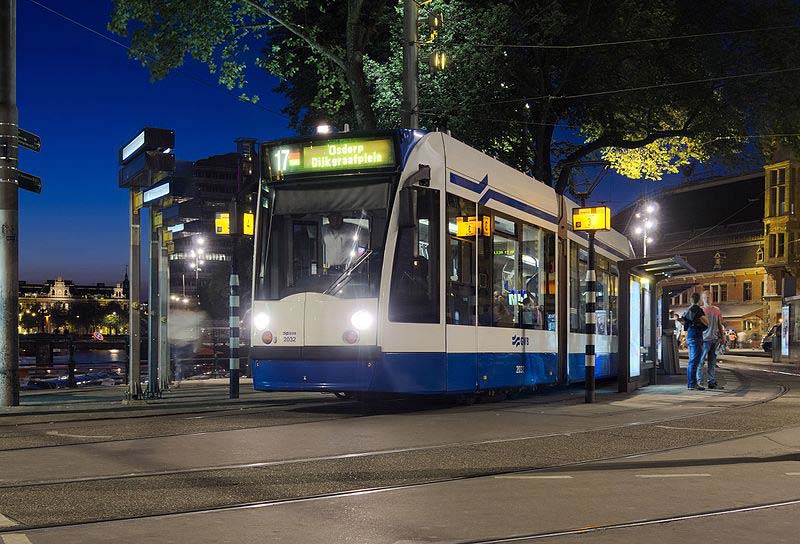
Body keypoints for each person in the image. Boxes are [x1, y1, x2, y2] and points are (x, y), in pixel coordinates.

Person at [682, 292, 709, 390]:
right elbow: (706, 322)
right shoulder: (697, 309)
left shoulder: (687, 310)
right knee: (695, 361)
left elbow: (685, 326)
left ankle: (691, 383)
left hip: (690, 335)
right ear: (699, 300)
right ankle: (692, 384)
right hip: (697, 336)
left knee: (691, 361)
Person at [698, 290, 725, 390]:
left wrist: (723, 337)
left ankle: (711, 381)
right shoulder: (700, 310)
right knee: (701, 362)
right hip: (704, 339)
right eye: (705, 297)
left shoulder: (717, 310)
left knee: (712, 362)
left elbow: (720, 325)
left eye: (708, 297)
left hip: (714, 339)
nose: (707, 299)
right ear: (702, 299)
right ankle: (699, 381)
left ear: (712, 298)